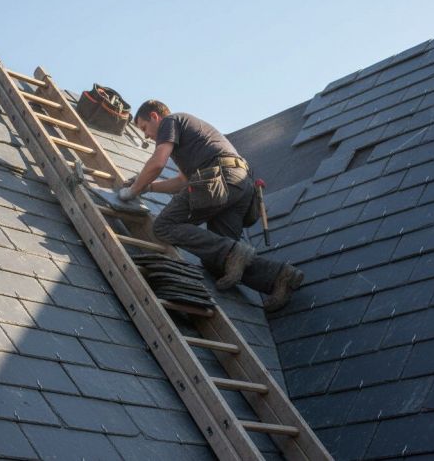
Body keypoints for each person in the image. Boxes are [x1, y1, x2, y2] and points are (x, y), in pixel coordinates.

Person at [117, 100, 303, 312]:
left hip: (219, 179)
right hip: (238, 186)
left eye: (144, 128)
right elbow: (182, 182)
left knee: (164, 226)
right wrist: (147, 187)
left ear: (154, 116)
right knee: (217, 261)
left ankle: (234, 252)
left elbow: (158, 163)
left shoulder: (171, 121)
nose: (146, 136)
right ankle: (280, 277)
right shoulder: (190, 140)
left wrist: (132, 190)